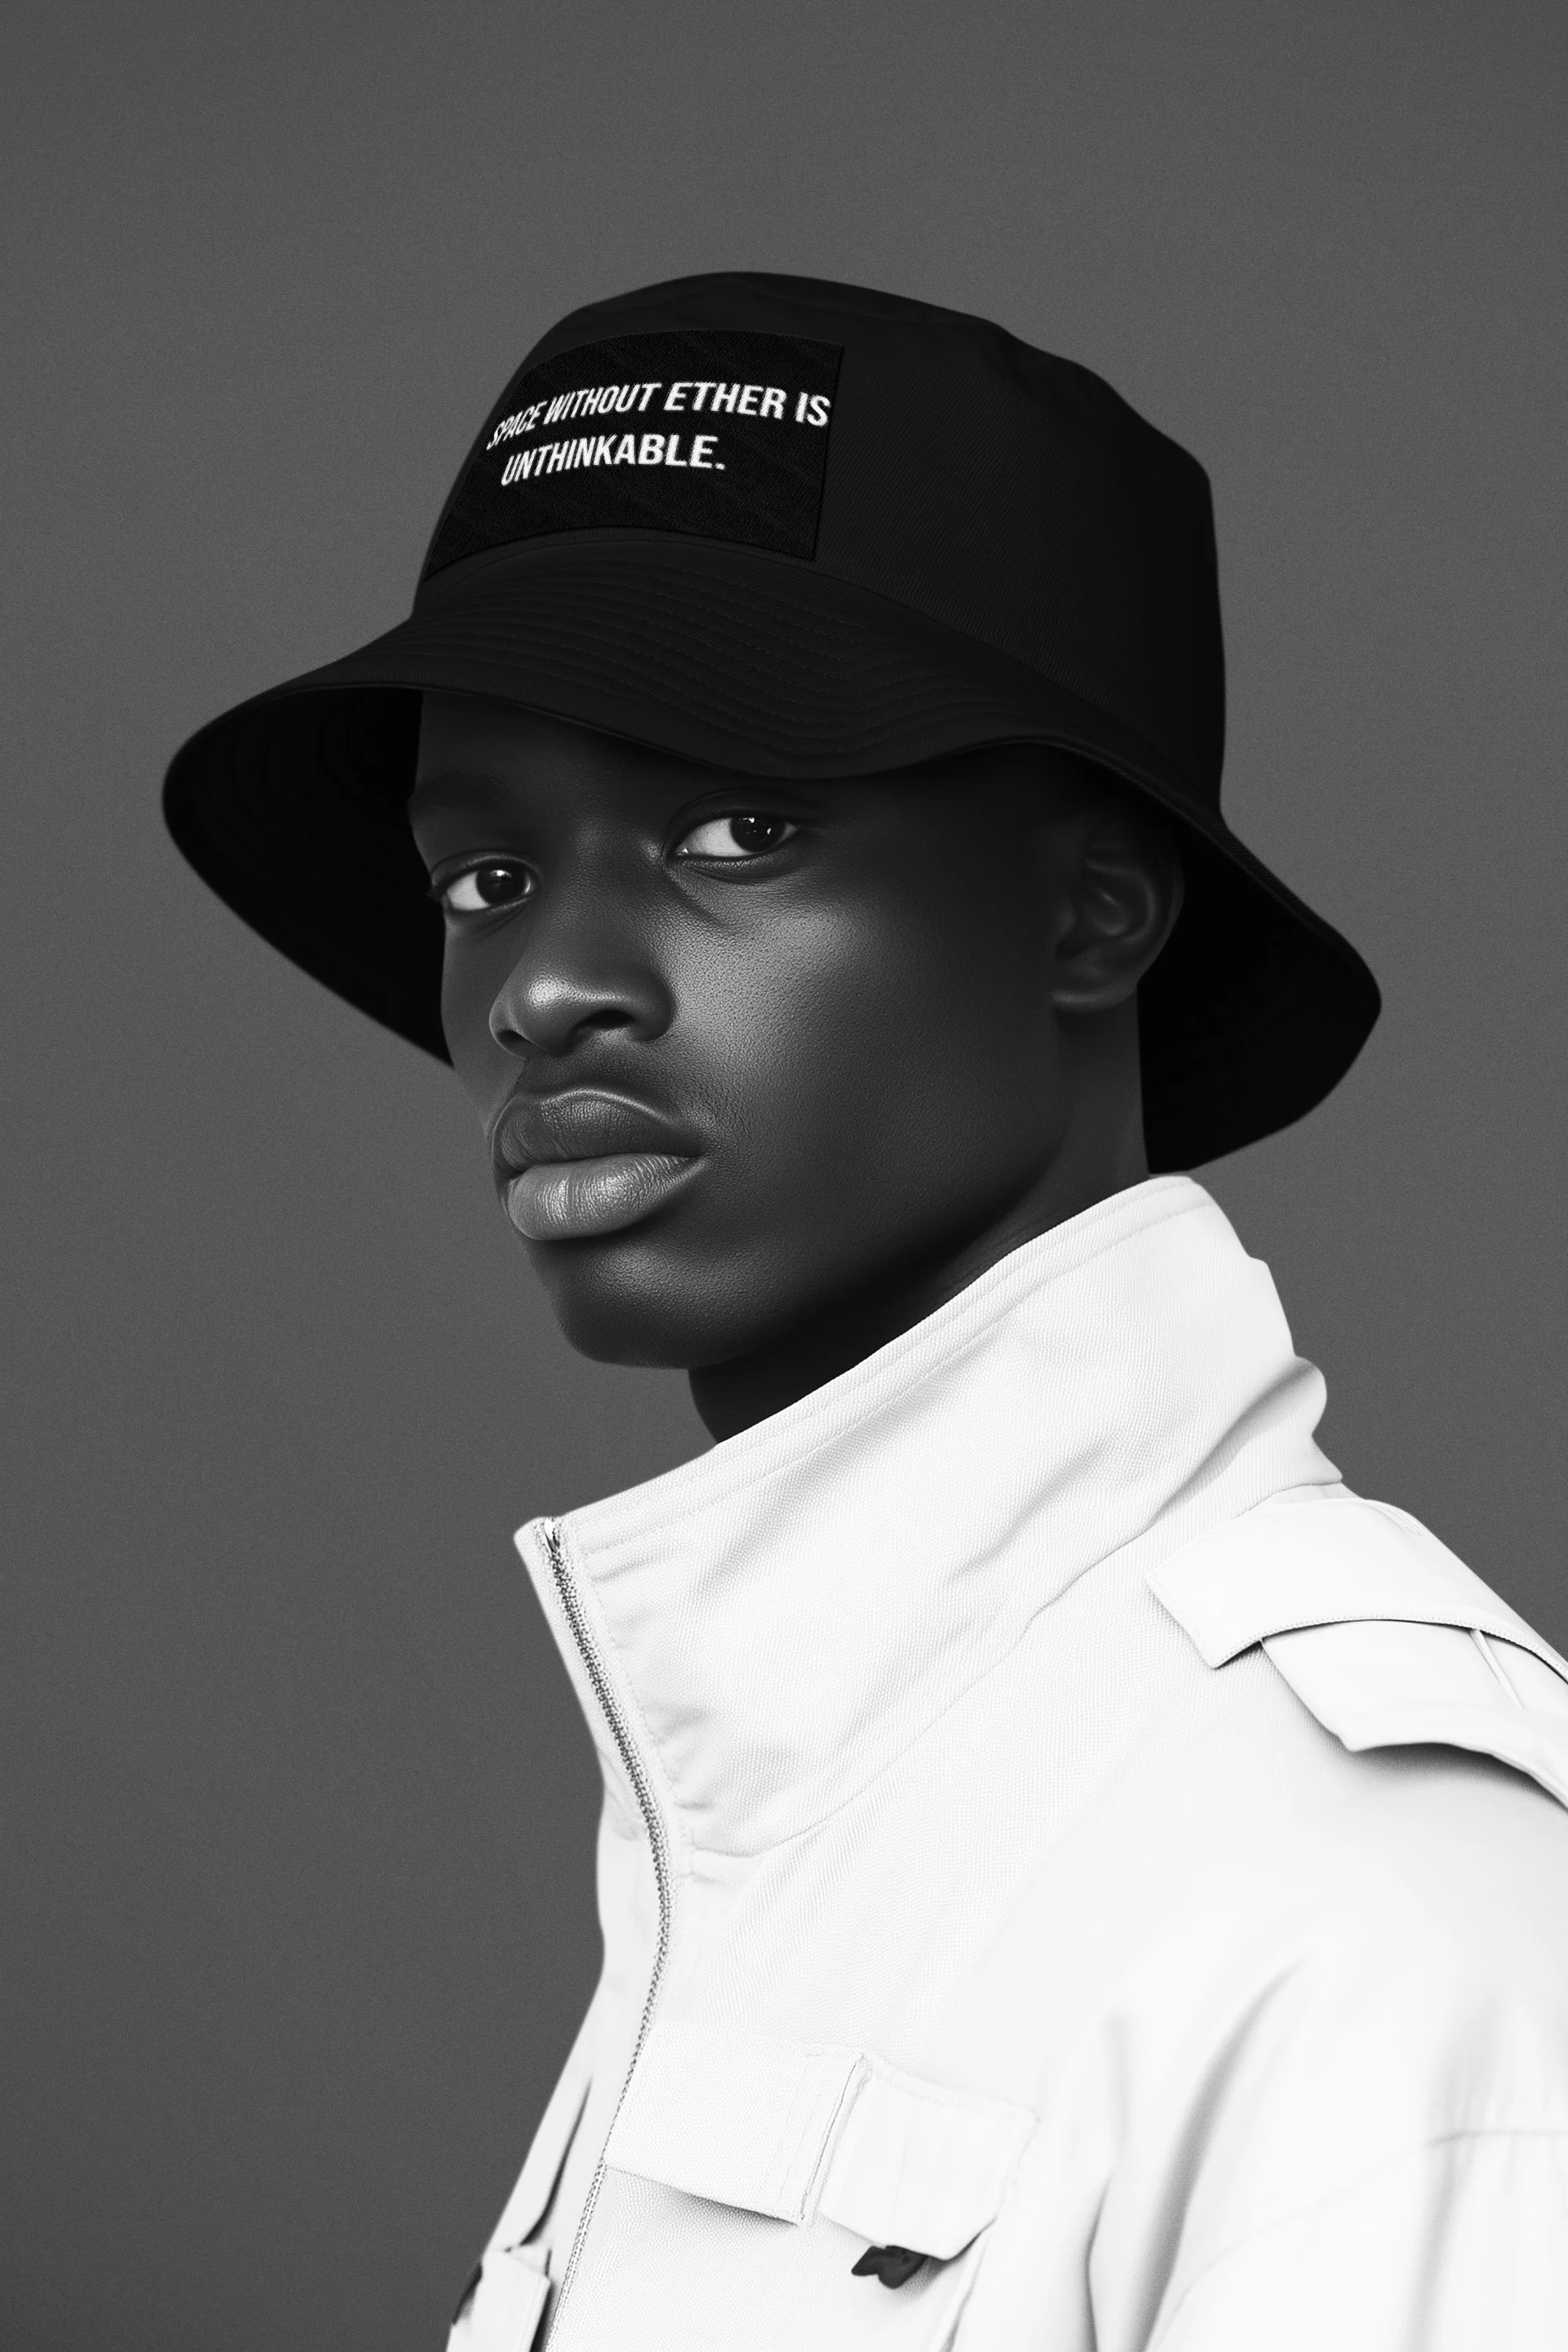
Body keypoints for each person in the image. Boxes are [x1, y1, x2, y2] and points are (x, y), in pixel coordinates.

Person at [164, 273, 1568, 2350]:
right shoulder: (800, 1796)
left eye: (740, 827)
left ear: (1093, 910)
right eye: (483, 876)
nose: (548, 984)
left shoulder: (1374, 1902)